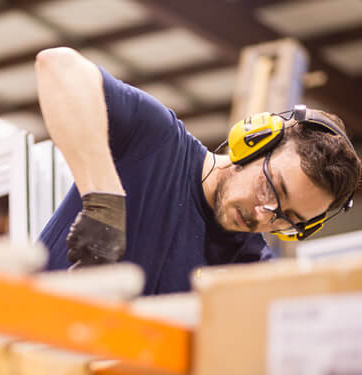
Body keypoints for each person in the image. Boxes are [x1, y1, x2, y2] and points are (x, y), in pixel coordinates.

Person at [35, 47, 362, 295]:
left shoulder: (247, 268)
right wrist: (103, 200)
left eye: (287, 219)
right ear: (254, 143)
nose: (265, 216)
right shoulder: (155, 141)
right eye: (272, 189)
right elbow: (58, 65)